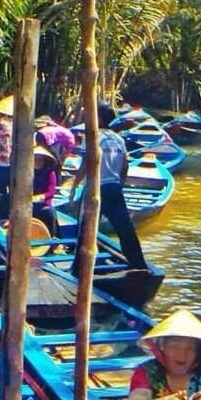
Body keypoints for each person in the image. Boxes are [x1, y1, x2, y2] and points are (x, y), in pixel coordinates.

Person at [74, 100, 147, 272]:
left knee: (85, 230)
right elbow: (125, 166)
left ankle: (79, 267)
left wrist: (74, 186)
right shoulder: (118, 138)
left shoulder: (91, 138)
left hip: (94, 189)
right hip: (113, 188)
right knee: (125, 229)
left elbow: (86, 164)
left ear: (97, 118)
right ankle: (138, 264)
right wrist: (119, 185)